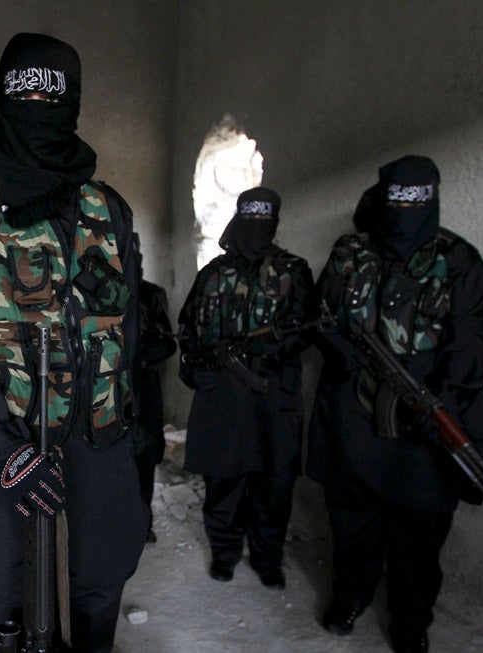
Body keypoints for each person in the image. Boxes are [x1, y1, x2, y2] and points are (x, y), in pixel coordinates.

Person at [0, 33, 147, 653]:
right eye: (27, 96)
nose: (41, 113)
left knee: (91, 616)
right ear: (2, 102)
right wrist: (2, 453)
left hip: (97, 468)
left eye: (56, 98)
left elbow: (128, 331)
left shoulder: (110, 208)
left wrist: (133, 437)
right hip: (3, 473)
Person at [308, 156, 483, 653]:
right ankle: (350, 599)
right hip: (354, 413)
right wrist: (347, 354)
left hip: (424, 419)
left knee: (421, 531)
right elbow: (321, 314)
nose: (405, 216)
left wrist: (441, 399)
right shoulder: (350, 252)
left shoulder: (458, 259)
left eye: (417, 203)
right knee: (351, 518)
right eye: (397, 203)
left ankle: (412, 621)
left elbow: (474, 341)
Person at [177, 187, 316, 590]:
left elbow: (304, 329)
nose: (257, 229)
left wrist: (263, 348)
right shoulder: (213, 273)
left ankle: (267, 559)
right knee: (222, 482)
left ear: (274, 224)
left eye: (265, 221)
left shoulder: (293, 270)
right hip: (220, 396)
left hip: (272, 394)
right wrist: (199, 365)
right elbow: (187, 326)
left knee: (273, 486)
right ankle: (224, 553)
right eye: (250, 219)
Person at [130, 233, 177, 543]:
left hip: (143, 388)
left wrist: (138, 354)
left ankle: (141, 523)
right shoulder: (91, 290)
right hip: (104, 391)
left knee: (144, 456)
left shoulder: (150, 295)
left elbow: (167, 344)